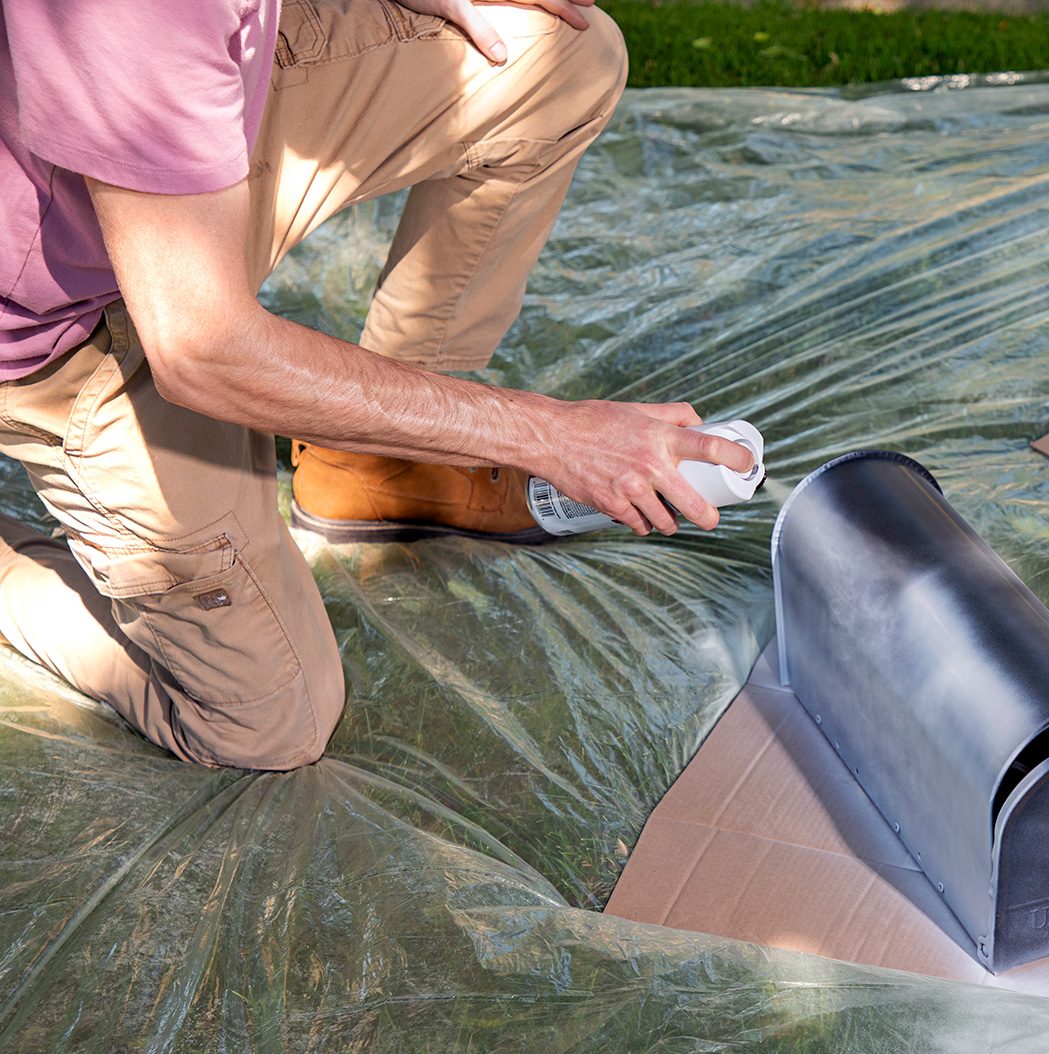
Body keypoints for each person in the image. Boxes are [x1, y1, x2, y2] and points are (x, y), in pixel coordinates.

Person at [0, 0, 753, 770]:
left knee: (560, 57)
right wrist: (552, 435)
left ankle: (372, 466)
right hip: (65, 322)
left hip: (166, 158)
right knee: (269, 722)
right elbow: (202, 348)